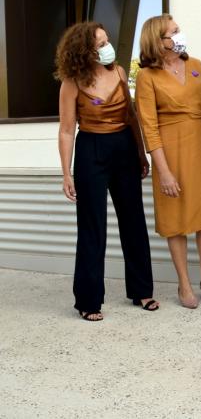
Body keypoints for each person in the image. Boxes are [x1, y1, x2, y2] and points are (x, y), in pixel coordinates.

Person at [55, 21, 158, 321]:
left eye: (107, 41)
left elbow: (130, 115)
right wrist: (66, 173)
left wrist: (141, 153)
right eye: (100, 44)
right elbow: (65, 130)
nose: (107, 47)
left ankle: (141, 290)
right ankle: (88, 300)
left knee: (133, 220)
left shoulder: (120, 72)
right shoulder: (72, 82)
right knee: (92, 226)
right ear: (84, 51)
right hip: (91, 150)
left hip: (124, 146)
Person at [135, 14, 201, 309]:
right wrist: (163, 172)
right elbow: (148, 126)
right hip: (170, 153)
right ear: (157, 41)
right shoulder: (147, 77)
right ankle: (184, 283)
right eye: (174, 32)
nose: (179, 35)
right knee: (175, 220)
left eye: (179, 30)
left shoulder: (196, 65)